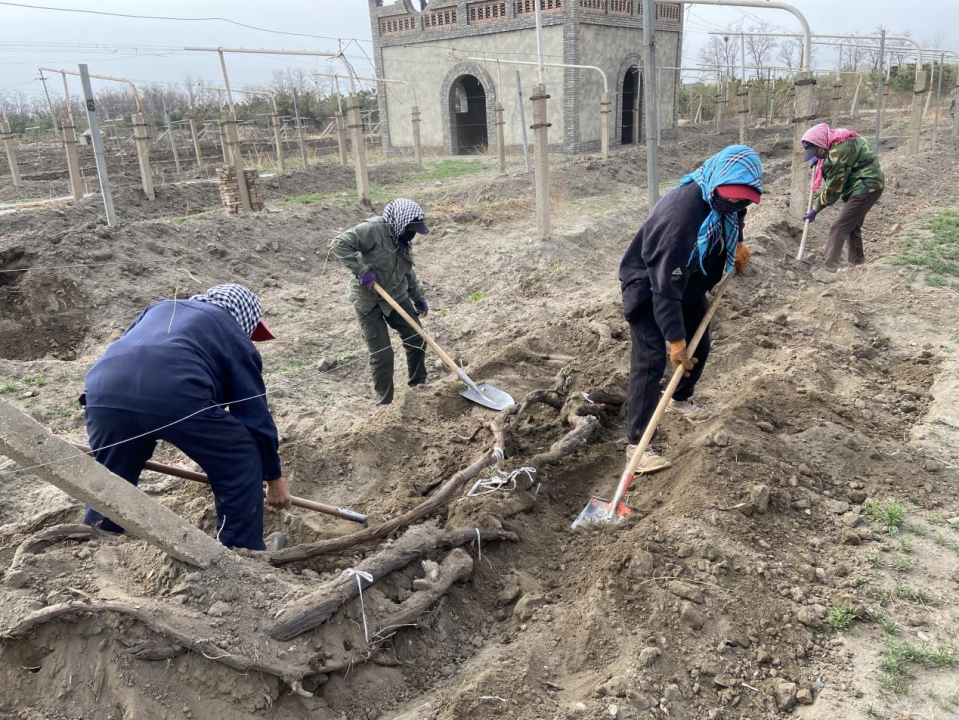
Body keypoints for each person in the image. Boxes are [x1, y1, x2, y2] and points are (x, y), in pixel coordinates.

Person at [80, 283, 291, 552]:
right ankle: (242, 551)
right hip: (175, 392)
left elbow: (133, 353)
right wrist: (273, 479)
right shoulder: (231, 330)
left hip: (103, 392)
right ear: (244, 316)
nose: (249, 337)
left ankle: (94, 544)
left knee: (113, 471)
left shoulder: (159, 309)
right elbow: (253, 416)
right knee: (239, 456)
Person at [619, 145, 762, 473]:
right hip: (651, 286)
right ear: (716, 183)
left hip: (689, 281)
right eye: (731, 197)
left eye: (744, 198)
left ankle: (679, 399)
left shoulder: (731, 200)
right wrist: (675, 340)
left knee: (701, 344)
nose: (736, 203)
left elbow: (734, 218)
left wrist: (736, 245)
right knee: (651, 361)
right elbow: (664, 290)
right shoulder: (680, 217)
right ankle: (637, 446)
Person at [332, 198, 431, 408]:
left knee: (417, 338)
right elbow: (339, 244)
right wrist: (361, 271)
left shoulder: (402, 239)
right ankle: (384, 403)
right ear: (400, 222)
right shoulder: (372, 229)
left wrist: (418, 296)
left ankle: (418, 383)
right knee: (382, 354)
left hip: (396, 295)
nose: (412, 233)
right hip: (368, 300)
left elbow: (407, 269)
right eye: (410, 228)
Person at [800, 122, 885, 271]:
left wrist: (816, 208)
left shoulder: (838, 153)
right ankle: (857, 263)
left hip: (867, 186)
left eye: (815, 152)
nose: (815, 155)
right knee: (852, 224)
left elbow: (834, 189)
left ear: (821, 144)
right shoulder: (836, 139)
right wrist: (821, 158)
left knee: (838, 226)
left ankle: (830, 268)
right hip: (868, 183)